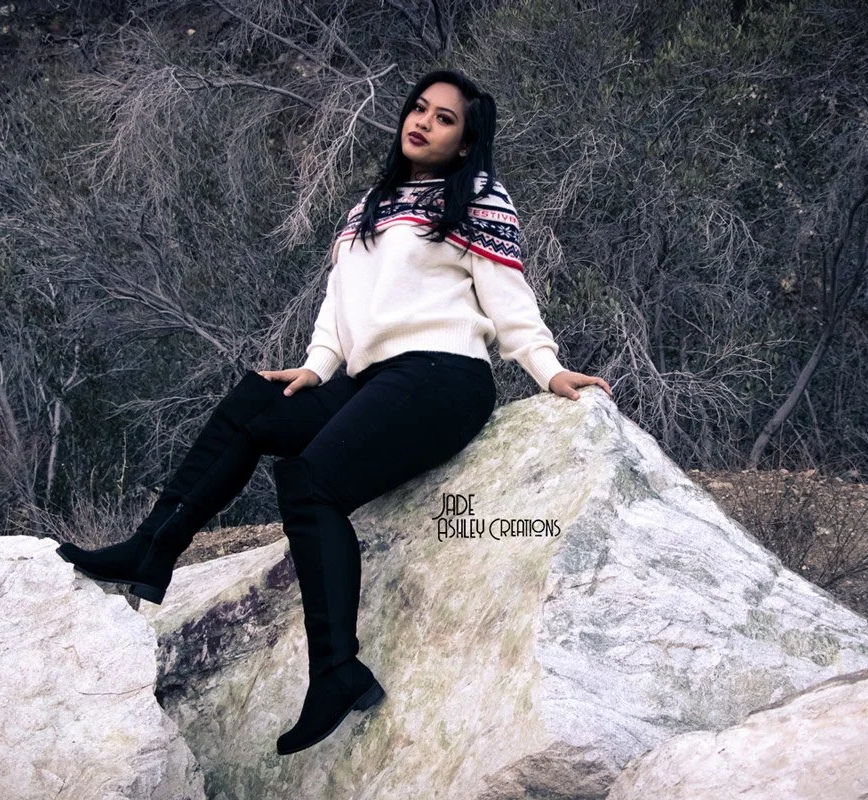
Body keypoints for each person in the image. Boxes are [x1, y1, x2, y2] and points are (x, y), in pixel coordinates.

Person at [56, 68, 612, 756]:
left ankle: (337, 672)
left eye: (444, 119)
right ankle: (153, 548)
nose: (423, 121)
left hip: (442, 379)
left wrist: (549, 369)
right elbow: (339, 301)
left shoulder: (477, 199)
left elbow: (509, 300)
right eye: (419, 108)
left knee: (310, 483)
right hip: (370, 379)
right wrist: (317, 366)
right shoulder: (371, 204)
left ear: (465, 144)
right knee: (256, 401)